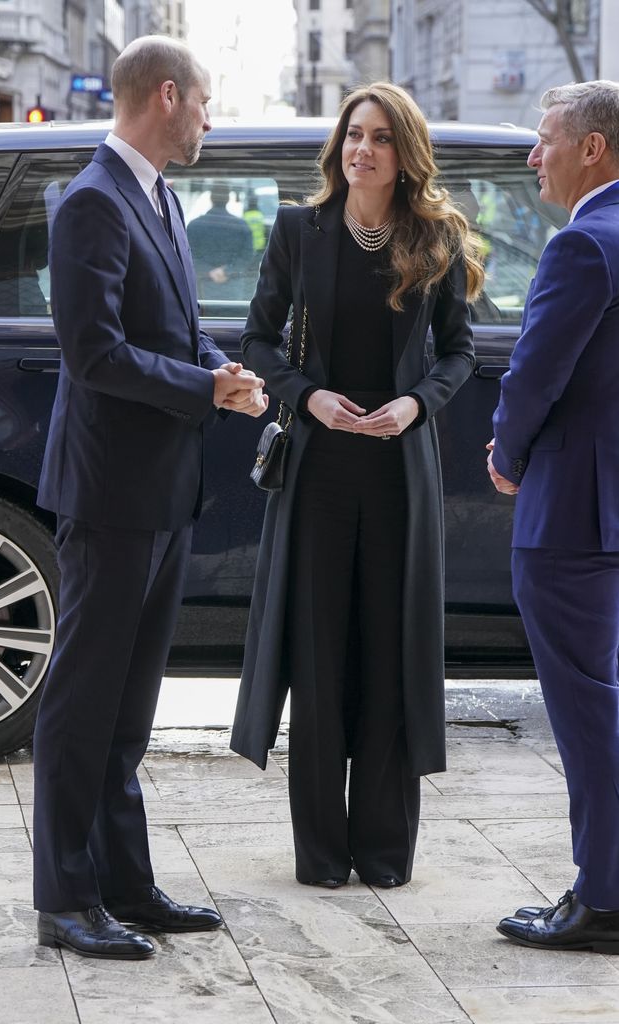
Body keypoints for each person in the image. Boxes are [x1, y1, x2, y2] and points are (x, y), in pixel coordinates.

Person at [32, 35, 267, 961]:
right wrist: (198, 388)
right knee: (82, 702)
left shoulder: (157, 194)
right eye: (204, 104)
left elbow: (174, 328)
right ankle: (63, 899)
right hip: (109, 491)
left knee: (130, 713)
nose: (209, 120)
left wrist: (221, 369)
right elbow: (92, 353)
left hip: (163, 489)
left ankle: (125, 884)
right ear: (167, 96)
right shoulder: (91, 199)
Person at [231, 83, 483, 888]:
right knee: (321, 650)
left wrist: (416, 402)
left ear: (403, 152)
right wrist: (309, 397)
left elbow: (459, 352)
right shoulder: (299, 231)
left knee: (389, 652)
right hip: (320, 472)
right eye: (352, 135)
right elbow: (259, 338)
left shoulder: (435, 235)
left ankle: (382, 851)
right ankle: (321, 855)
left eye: (378, 137)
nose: (361, 149)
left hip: (399, 471)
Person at [488, 80, 619, 953]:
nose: (533, 156)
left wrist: (504, 452)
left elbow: (534, 370)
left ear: (593, 149)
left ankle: (603, 899)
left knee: (586, 709)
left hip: (573, 513)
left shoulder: (585, 245)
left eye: (545, 140)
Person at [186, 183, 255, 300]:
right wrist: (227, 271)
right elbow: (247, 255)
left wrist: (208, 271)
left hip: (202, 288)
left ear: (211, 198)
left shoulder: (194, 225)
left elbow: (187, 255)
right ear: (228, 199)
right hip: (232, 289)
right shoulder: (241, 226)